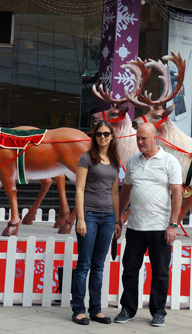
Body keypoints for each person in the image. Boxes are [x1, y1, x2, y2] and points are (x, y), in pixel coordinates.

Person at [114, 122, 182, 328]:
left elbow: (177, 194)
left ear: (155, 138)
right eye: (138, 138)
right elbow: (126, 191)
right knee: (130, 270)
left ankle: (158, 311)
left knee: (160, 272)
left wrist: (173, 224)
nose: (140, 142)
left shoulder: (170, 161)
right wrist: (119, 217)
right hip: (135, 226)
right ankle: (128, 309)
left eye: (144, 138)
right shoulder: (132, 161)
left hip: (160, 227)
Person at [71, 120, 121, 326]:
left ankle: (95, 309)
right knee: (84, 264)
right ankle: (78, 310)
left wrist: (117, 220)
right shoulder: (87, 158)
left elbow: (115, 193)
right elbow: (79, 189)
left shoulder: (115, 160)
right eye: (99, 134)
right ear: (94, 137)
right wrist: (81, 218)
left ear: (112, 137)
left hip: (108, 217)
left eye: (106, 134)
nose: (102, 137)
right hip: (89, 215)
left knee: (99, 266)